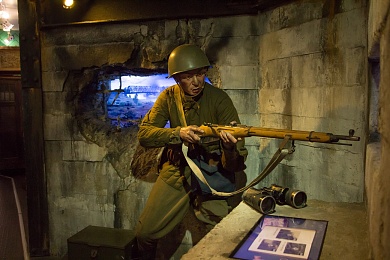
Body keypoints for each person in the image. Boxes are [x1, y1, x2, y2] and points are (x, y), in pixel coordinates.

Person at [135, 44, 248, 259]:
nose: (197, 82)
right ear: (177, 78)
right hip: (177, 170)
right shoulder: (168, 98)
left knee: (222, 237)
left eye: (200, 74)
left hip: (213, 173)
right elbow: (145, 135)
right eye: (188, 76)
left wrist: (228, 147)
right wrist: (178, 133)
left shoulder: (219, 99)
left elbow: (235, 164)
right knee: (145, 232)